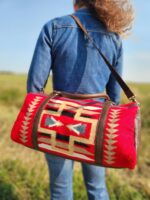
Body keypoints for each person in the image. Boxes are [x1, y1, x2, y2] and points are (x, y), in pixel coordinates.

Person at [27, 0, 134, 199]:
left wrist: (39, 125)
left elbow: (35, 87)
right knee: (97, 188)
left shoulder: (53, 27)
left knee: (60, 191)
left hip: (56, 122)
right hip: (97, 126)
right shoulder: (113, 36)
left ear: (76, 4)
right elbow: (114, 95)